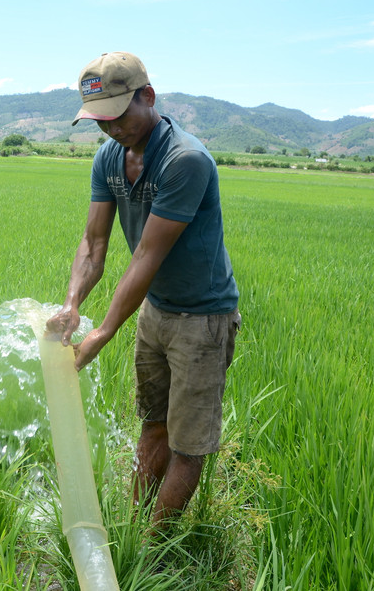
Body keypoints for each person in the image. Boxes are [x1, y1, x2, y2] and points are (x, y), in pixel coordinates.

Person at [46, 52, 241, 530]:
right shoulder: (109, 157)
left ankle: (153, 551)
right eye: (100, 121)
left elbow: (146, 257)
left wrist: (105, 330)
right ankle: (134, 528)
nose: (110, 129)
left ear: (147, 97)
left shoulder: (185, 160)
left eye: (117, 115)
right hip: (156, 311)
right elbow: (94, 244)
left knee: (188, 444)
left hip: (202, 318)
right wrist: (72, 305)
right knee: (152, 423)